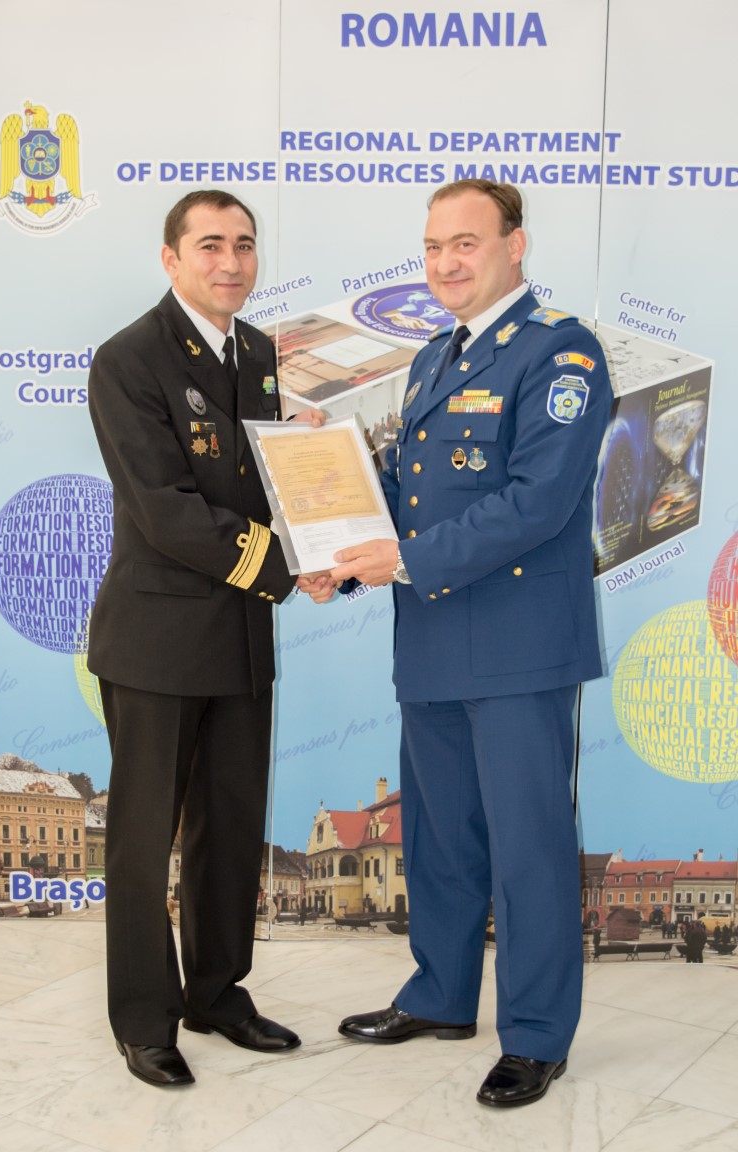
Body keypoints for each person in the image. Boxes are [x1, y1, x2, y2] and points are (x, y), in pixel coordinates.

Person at [301, 179, 612, 1108]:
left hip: (519, 646)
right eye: (434, 247)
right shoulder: (434, 357)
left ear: (515, 245)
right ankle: (440, 996)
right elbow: (410, 494)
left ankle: (537, 1035)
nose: (446, 262)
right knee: (438, 840)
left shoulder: (561, 353)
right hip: (433, 637)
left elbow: (537, 503)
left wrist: (398, 558)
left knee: (528, 850)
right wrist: (340, 547)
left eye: (466, 243)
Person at [88, 189, 322, 1088]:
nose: (231, 262)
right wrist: (283, 565)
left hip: (240, 635)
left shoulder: (260, 353)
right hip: (157, 636)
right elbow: (166, 509)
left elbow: (262, 476)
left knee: (230, 827)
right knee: (144, 839)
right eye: (211, 245)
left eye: (245, 245)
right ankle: (145, 1019)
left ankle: (218, 994)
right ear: (171, 258)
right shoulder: (128, 358)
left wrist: (316, 498)